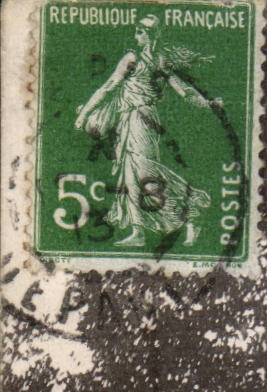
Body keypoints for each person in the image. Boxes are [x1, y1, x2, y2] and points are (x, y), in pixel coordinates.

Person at [73, 14, 220, 248]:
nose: (136, 36)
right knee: (129, 175)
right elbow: (109, 87)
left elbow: (184, 90)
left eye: (140, 32)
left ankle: (192, 214)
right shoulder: (132, 58)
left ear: (150, 35)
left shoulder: (159, 61)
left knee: (146, 174)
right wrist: (83, 115)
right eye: (136, 31)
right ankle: (137, 230)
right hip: (126, 119)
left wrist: (207, 103)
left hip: (144, 119)